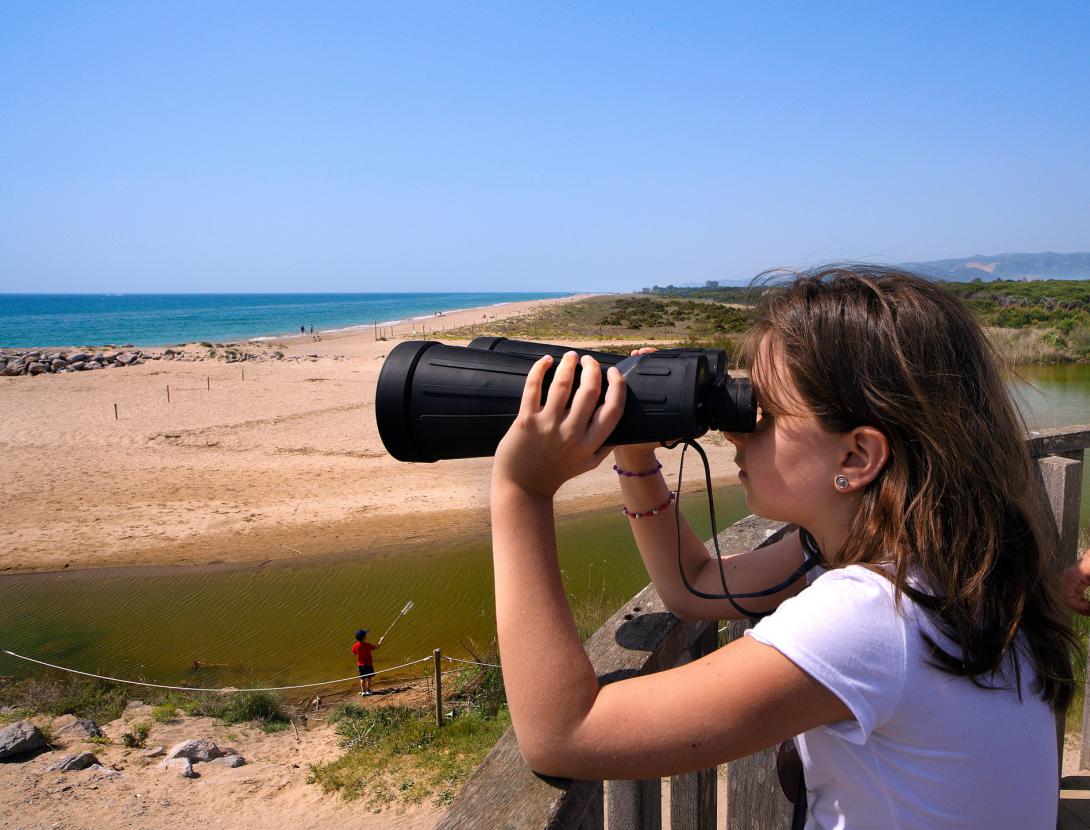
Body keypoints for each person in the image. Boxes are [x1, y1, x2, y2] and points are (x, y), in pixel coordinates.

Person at [489, 265, 1076, 828]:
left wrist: (522, 492)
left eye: (763, 413)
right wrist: (635, 452)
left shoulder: (871, 617)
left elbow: (565, 735)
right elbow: (692, 584)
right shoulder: (951, 560)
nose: (734, 429)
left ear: (856, 457)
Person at [351, 628, 379, 695]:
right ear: (364, 637)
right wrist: (381, 640)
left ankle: (363, 691)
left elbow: (353, 653)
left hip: (360, 665)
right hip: (368, 664)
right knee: (369, 678)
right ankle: (368, 691)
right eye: (365, 635)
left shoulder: (355, 645)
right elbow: (377, 647)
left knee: (362, 678)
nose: (366, 635)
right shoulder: (367, 645)